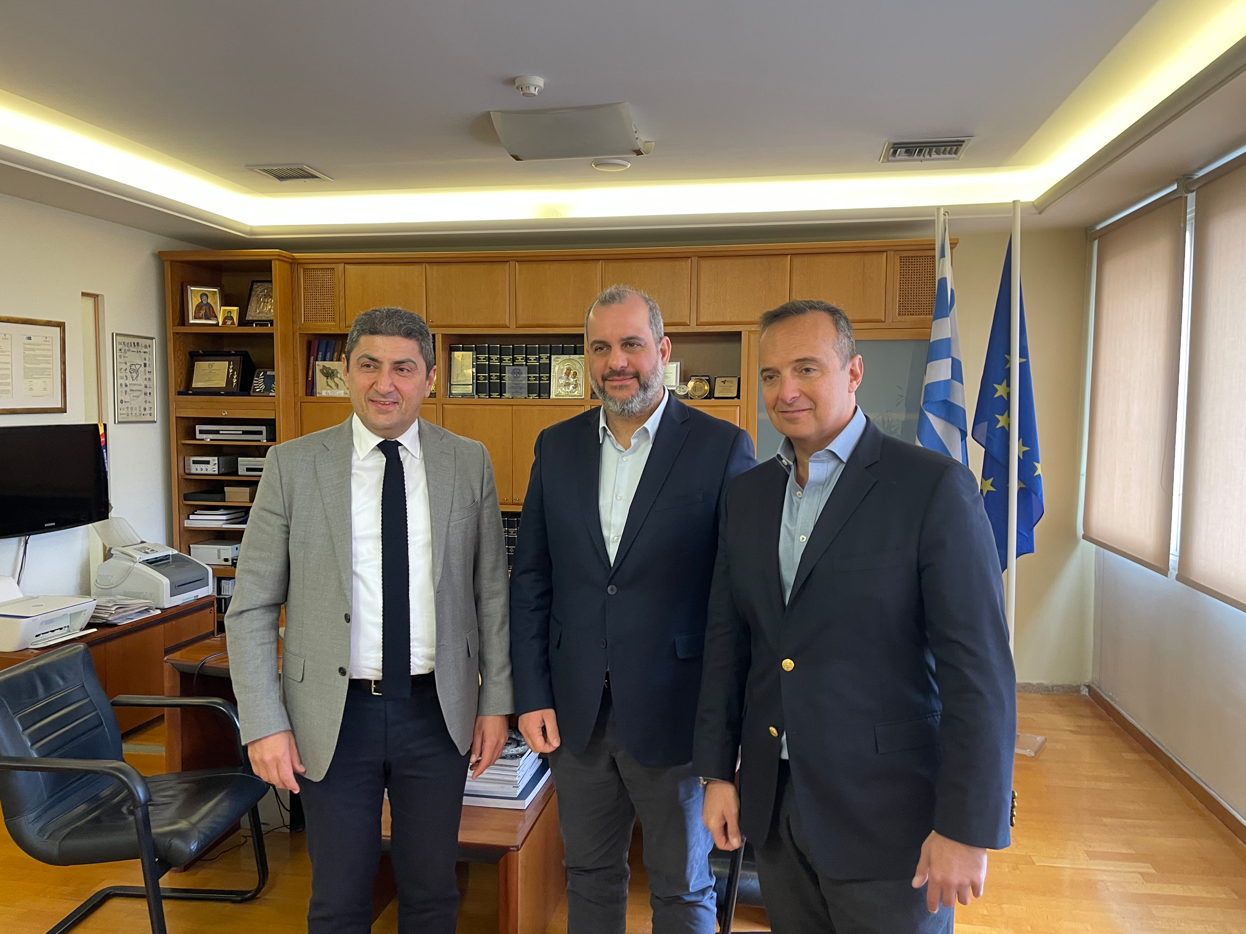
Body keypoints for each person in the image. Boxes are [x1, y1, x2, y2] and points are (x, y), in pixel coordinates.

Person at [694, 300, 1016, 934]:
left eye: (806, 369)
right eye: (770, 375)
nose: (785, 391)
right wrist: (716, 773)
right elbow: (729, 645)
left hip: (891, 822)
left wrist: (966, 828)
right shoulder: (747, 496)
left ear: (854, 372)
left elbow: (978, 672)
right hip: (778, 810)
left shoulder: (932, 487)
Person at [226, 306, 512, 934]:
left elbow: (491, 592)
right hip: (332, 716)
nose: (385, 384)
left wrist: (497, 704)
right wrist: (263, 722)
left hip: (437, 713)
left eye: (403, 368)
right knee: (338, 898)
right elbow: (250, 607)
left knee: (433, 893)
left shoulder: (468, 461)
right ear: (345, 374)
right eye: (369, 366)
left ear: (430, 378)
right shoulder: (292, 465)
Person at [510, 285, 756, 934]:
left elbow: (738, 600)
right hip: (575, 715)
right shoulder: (555, 447)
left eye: (631, 345)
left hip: (678, 715)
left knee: (682, 888)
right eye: (600, 348)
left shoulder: (722, 447)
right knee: (589, 875)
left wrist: (727, 726)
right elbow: (531, 578)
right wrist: (531, 694)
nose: (616, 362)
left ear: (663, 351)